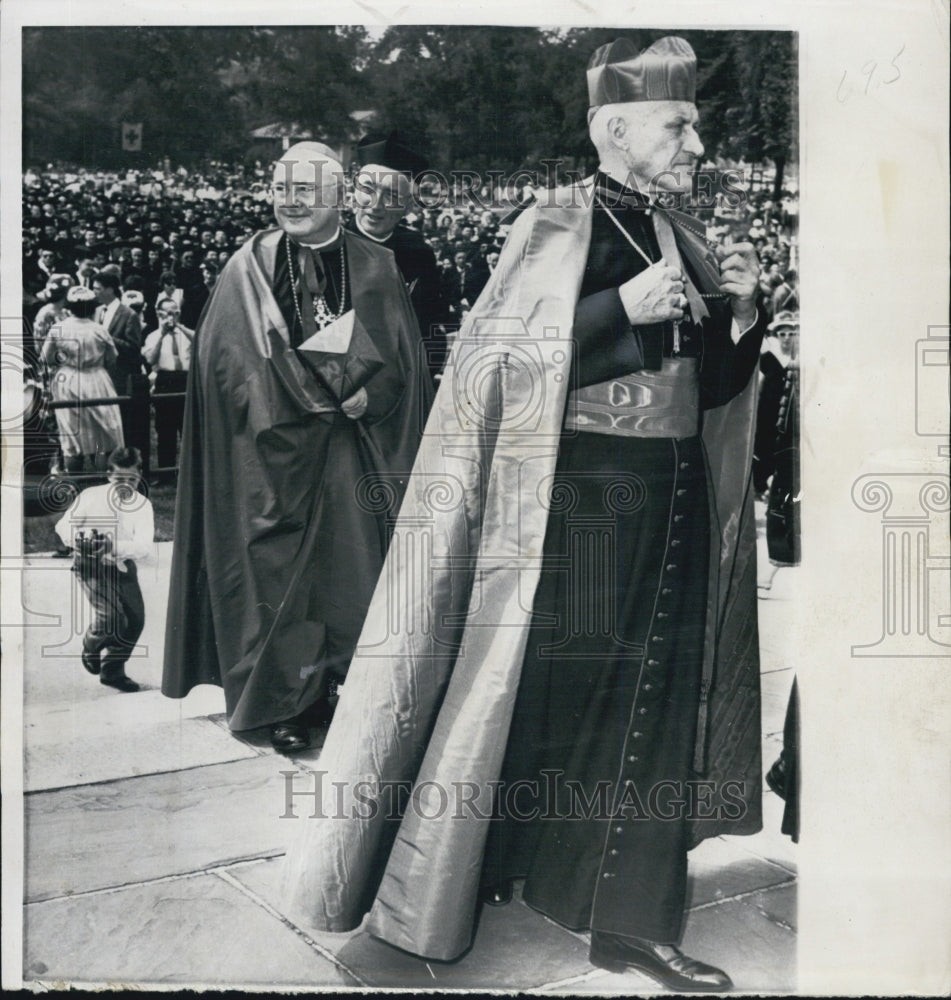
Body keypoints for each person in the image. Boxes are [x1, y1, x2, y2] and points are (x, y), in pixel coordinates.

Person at [283, 36, 766, 991]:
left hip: (668, 497)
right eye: (680, 124)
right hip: (577, 501)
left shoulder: (684, 232)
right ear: (613, 128)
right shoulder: (554, 221)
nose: (697, 144)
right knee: (552, 699)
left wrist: (741, 315)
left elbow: (713, 390)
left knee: (653, 700)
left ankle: (624, 916)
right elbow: (495, 366)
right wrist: (620, 307)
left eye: (696, 125)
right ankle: (514, 871)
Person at [161, 142, 433, 755]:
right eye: (281, 189)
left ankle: (347, 690)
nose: (290, 201)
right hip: (270, 457)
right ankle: (283, 703)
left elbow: (405, 361)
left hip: (349, 453)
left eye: (305, 190)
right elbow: (222, 366)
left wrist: (374, 396)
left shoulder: (377, 265)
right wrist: (288, 399)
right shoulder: (246, 266)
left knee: (351, 576)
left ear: (339, 195)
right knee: (274, 584)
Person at [349, 130, 450, 382]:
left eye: (391, 195)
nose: (376, 204)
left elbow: (429, 327)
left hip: (403, 386)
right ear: (353, 192)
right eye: (368, 189)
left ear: (407, 206)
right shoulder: (327, 245)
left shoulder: (418, 253)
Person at [55, 446, 153, 692]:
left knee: (135, 620)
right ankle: (91, 644)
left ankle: (113, 671)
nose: (125, 485)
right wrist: (79, 539)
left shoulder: (142, 505)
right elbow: (63, 526)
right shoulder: (91, 496)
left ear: (139, 476)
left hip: (121, 565)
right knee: (111, 617)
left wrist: (112, 545)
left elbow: (143, 546)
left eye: (132, 479)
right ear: (109, 475)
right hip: (90, 565)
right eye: (119, 478)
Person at [41, 285, 125, 473]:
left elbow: (46, 358)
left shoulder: (59, 328)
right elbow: (112, 358)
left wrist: (64, 360)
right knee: (101, 431)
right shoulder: (99, 330)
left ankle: (75, 478)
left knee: (72, 431)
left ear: (69, 307)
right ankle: (101, 477)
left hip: (69, 379)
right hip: (97, 379)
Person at [141, 297, 193, 479]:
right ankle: (166, 472)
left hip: (185, 379)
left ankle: (191, 472)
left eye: (175, 313)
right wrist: (163, 334)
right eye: (167, 313)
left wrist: (179, 327)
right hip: (165, 380)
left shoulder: (186, 333)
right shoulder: (153, 336)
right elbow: (150, 360)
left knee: (188, 428)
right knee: (165, 429)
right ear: (159, 314)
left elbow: (200, 343)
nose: (171, 317)